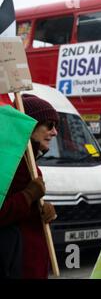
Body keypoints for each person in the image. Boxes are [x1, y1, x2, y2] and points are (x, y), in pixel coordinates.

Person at [0, 94, 58, 279]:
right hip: (14, 267)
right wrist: (28, 196)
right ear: (29, 125)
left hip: (32, 265)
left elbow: (28, 214)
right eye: (49, 125)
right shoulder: (8, 165)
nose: (54, 132)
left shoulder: (32, 166)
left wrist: (43, 210)